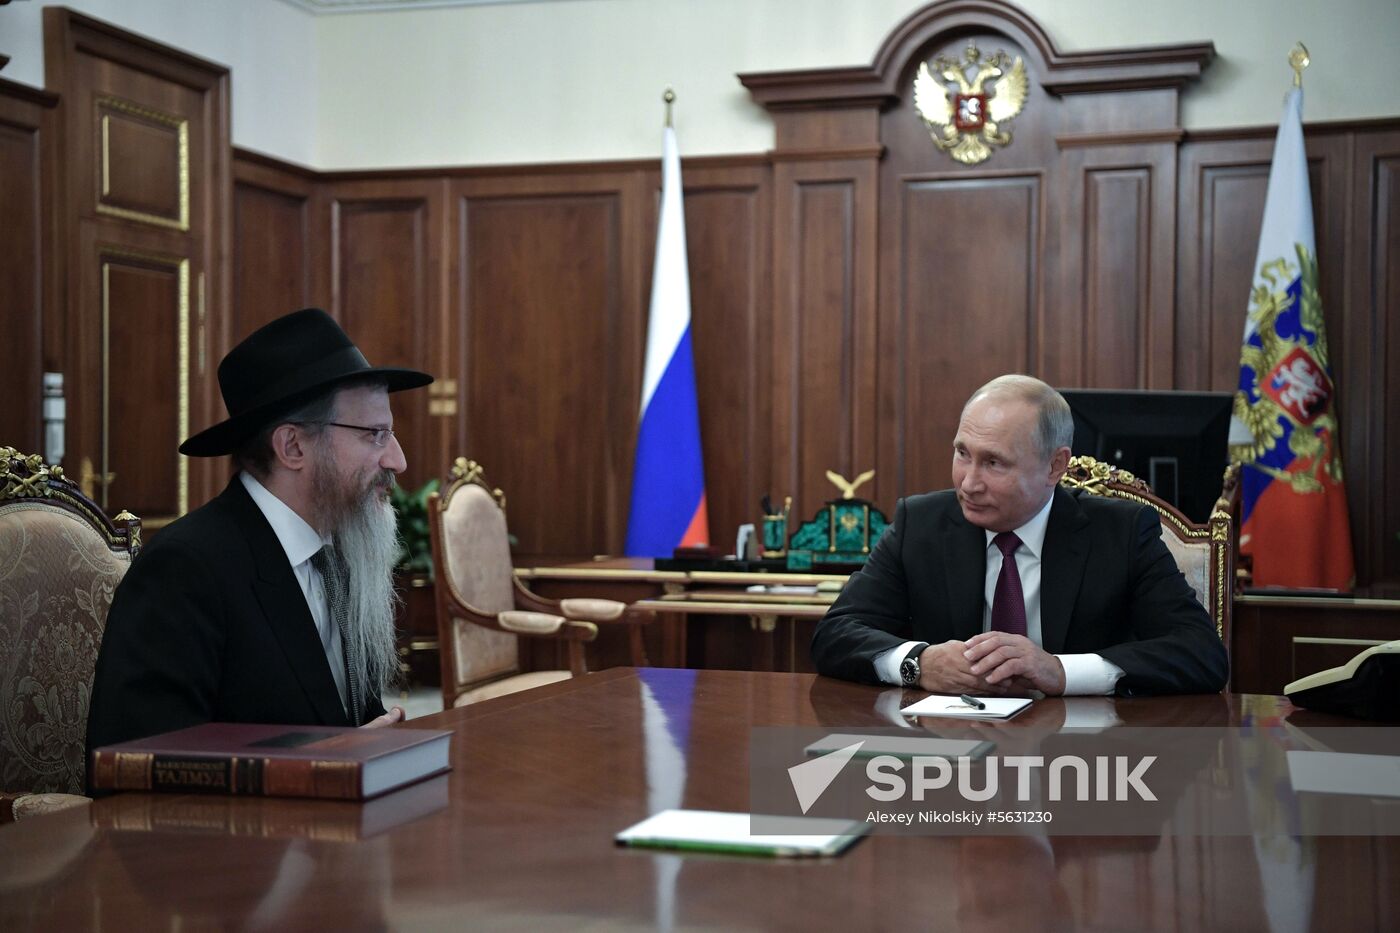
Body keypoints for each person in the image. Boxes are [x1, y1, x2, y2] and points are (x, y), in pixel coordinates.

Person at [86, 308, 433, 759]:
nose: (397, 460)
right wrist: (324, 762)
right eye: (375, 434)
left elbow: (352, 725)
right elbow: (134, 764)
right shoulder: (186, 570)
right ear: (292, 446)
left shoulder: (340, 554)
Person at [811, 374, 1228, 696]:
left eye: (994, 463)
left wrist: (1061, 671)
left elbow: (1201, 654)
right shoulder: (920, 524)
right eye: (962, 453)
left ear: (1054, 467)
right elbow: (836, 633)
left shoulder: (1121, 532)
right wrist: (919, 663)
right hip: (949, 760)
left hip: (1086, 766)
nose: (968, 483)